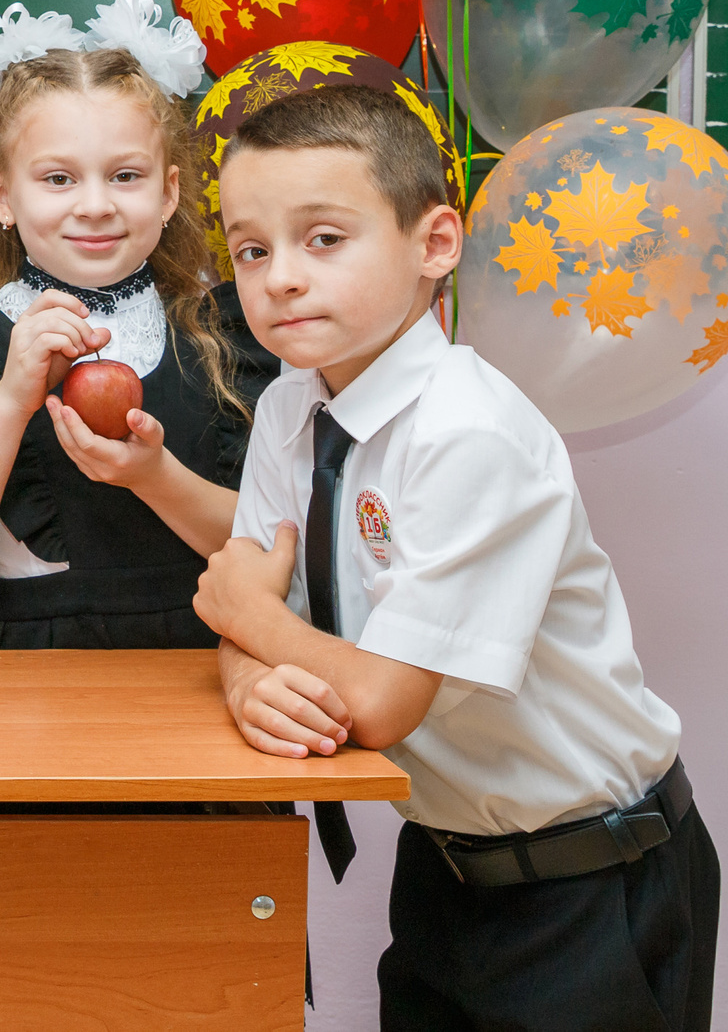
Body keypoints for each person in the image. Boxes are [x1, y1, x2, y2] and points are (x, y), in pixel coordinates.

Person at [200, 84, 715, 1031]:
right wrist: (245, 679)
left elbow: (378, 693)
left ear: (436, 245)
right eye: (251, 248)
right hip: (445, 865)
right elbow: (250, 581)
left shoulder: (469, 431)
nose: (278, 277)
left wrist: (252, 626)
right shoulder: (287, 407)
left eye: (324, 238)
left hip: (592, 880)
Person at [0, 0, 274, 648]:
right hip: (34, 677)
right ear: (2, 194)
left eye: (125, 175)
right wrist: (13, 394)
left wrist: (152, 476)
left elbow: (269, 547)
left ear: (168, 192)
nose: (95, 205)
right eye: (59, 178)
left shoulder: (231, 331)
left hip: (206, 660)